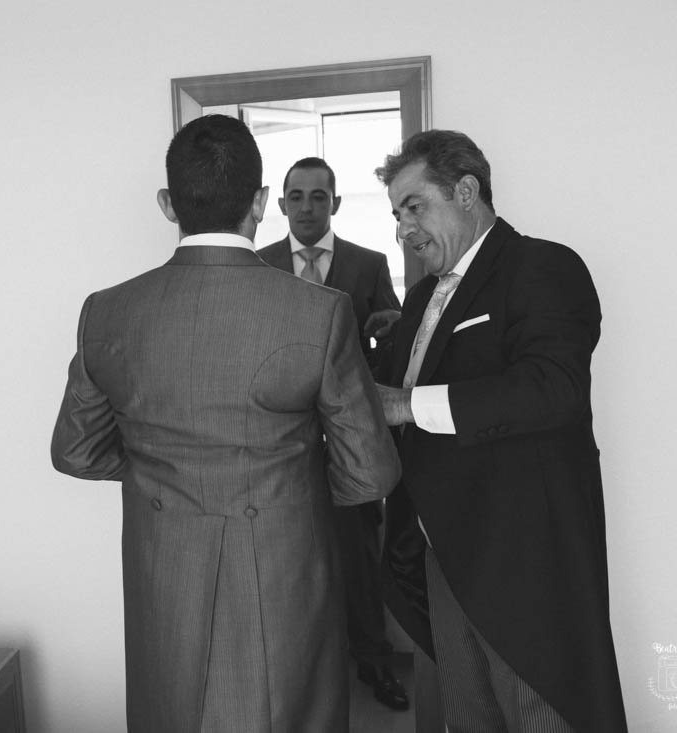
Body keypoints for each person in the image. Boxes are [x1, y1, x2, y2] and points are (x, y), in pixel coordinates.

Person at [51, 114, 400, 733]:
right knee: (289, 710)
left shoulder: (106, 312)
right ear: (262, 202)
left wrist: (160, 471)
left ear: (168, 204)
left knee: (171, 709)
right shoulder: (320, 313)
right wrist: (290, 480)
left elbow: (76, 452)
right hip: (286, 561)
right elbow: (368, 474)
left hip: (164, 557)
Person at [374, 129, 627, 732]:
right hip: (442, 556)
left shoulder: (543, 266)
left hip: (524, 558)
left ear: (466, 192)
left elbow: (553, 388)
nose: (404, 229)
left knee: (542, 719)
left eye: (415, 206)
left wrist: (407, 404)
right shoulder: (419, 299)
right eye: (397, 215)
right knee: (469, 720)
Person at [256, 157, 409, 712]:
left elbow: (395, 344)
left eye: (318, 196)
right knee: (285, 559)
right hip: (280, 441)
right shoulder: (259, 265)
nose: (306, 207)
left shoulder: (369, 264)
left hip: (350, 440)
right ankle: (296, 672)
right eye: (296, 196)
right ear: (280, 205)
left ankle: (373, 660)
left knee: (359, 556)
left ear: (335, 204)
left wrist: (390, 332)